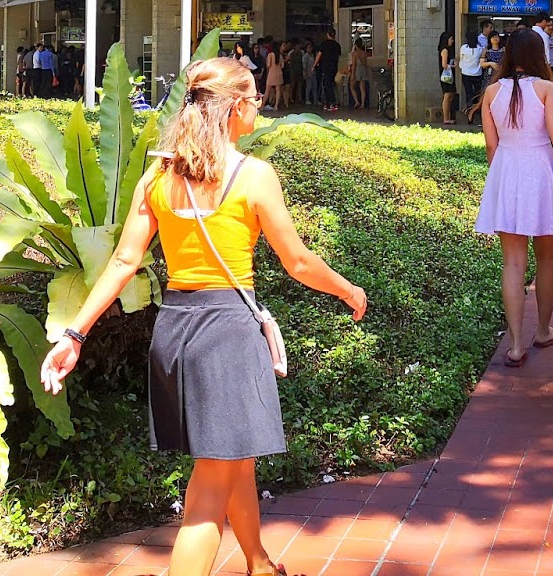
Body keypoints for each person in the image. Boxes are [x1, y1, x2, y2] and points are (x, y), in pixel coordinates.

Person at [39, 58, 367, 576]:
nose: (260, 105)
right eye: (255, 98)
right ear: (235, 107)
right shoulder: (253, 175)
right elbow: (298, 261)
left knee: (230, 459)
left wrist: (74, 333)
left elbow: (125, 261)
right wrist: (349, 290)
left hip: (175, 329)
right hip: (226, 332)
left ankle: (259, 564)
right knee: (207, 494)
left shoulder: (159, 173)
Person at [476, 28, 553, 366]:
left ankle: (516, 345)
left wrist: (503, 172)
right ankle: (543, 330)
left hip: (506, 170)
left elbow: (491, 146)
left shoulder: (491, 93)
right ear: (539, 54)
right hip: (541, 172)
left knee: (513, 262)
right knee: (547, 258)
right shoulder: (546, 88)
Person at [458, 33, 485, 124]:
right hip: (478, 74)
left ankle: (470, 116)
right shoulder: (480, 49)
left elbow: (461, 59)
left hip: (466, 73)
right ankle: (478, 115)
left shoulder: (463, 48)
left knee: (469, 94)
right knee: (478, 95)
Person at [314, 29, 342, 112]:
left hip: (326, 67)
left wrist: (314, 65)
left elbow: (319, 55)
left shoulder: (324, 44)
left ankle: (330, 103)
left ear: (327, 34)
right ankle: (329, 103)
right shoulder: (337, 45)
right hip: (334, 67)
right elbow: (338, 57)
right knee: (331, 84)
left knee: (326, 85)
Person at [438, 31, 458, 125]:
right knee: (447, 96)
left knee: (450, 95)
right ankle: (446, 118)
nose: (452, 41)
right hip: (446, 76)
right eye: (451, 39)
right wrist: (454, 66)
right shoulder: (445, 50)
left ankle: (448, 117)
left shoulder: (448, 50)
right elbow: (444, 65)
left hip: (449, 76)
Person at [264, 41, 285, 111]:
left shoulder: (270, 55)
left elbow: (268, 65)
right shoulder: (280, 55)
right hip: (279, 74)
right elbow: (282, 66)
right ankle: (276, 106)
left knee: (267, 90)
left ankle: (262, 105)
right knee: (278, 90)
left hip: (271, 74)